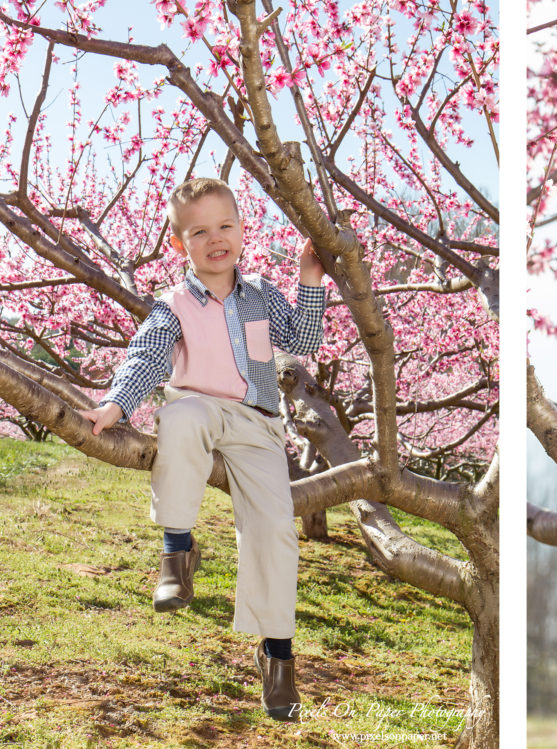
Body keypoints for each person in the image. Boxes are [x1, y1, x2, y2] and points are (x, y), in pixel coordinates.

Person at [79, 177, 327, 721]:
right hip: (198, 406)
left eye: (226, 227)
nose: (216, 240)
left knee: (275, 531)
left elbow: (305, 343)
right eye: (200, 232)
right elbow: (146, 358)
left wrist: (310, 278)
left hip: (258, 425)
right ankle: (177, 548)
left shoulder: (262, 293)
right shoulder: (173, 306)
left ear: (242, 231)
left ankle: (278, 654)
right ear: (178, 244)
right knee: (181, 418)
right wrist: (113, 407)